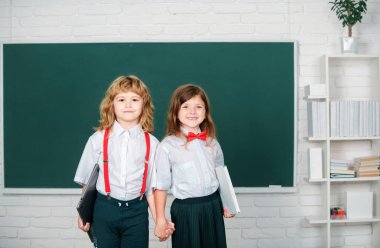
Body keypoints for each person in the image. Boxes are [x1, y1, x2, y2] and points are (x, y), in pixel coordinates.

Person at [74, 75, 173, 248]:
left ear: (144, 105)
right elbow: (87, 183)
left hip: (137, 212)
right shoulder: (97, 139)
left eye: (134, 99)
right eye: (121, 99)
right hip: (104, 209)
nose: (128, 105)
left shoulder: (153, 144)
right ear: (111, 105)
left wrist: (160, 220)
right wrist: (84, 213)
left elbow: (152, 188)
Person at [154, 84, 235, 248]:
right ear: (176, 112)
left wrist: (228, 203)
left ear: (205, 113)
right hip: (186, 210)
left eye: (198, 107)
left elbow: (221, 175)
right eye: (185, 106)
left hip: (213, 205)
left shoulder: (212, 142)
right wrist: (160, 219)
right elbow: (161, 185)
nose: (192, 112)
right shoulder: (167, 146)